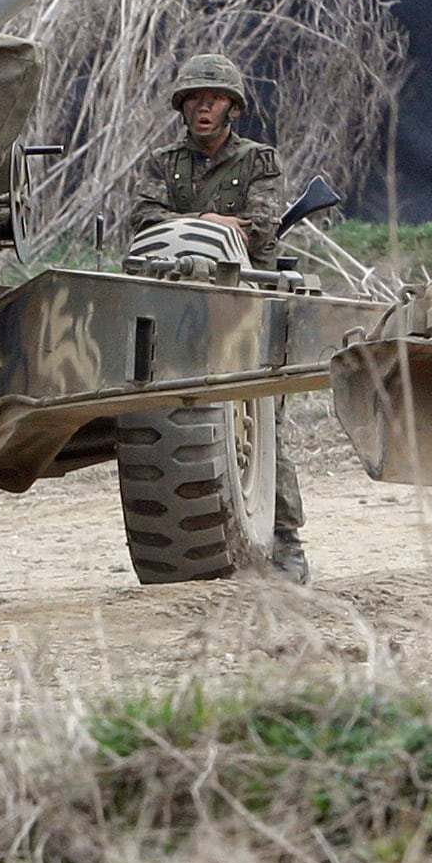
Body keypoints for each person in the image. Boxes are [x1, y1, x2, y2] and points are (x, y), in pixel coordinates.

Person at [127, 51, 308, 583]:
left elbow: (262, 231)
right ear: (183, 108)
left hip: (243, 303)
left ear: (232, 107)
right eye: (195, 100)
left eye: (214, 100)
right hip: (172, 307)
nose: (204, 109)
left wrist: (203, 228)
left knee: (263, 429)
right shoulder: (164, 162)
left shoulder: (259, 162)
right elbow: (143, 220)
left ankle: (286, 544)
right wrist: (207, 221)